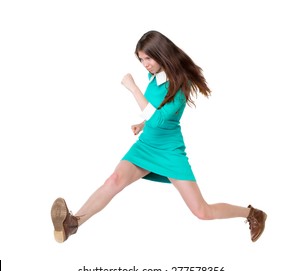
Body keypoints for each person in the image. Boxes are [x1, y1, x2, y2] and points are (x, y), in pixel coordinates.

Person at [51, 30, 267, 243]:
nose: (145, 64)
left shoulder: (181, 85)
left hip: (168, 150)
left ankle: (252, 214)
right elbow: (157, 112)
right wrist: (143, 124)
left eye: (148, 58)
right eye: (141, 59)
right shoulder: (154, 75)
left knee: (202, 211)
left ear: (161, 53)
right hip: (147, 144)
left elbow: (161, 120)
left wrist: (133, 88)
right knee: (114, 180)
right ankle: (72, 224)